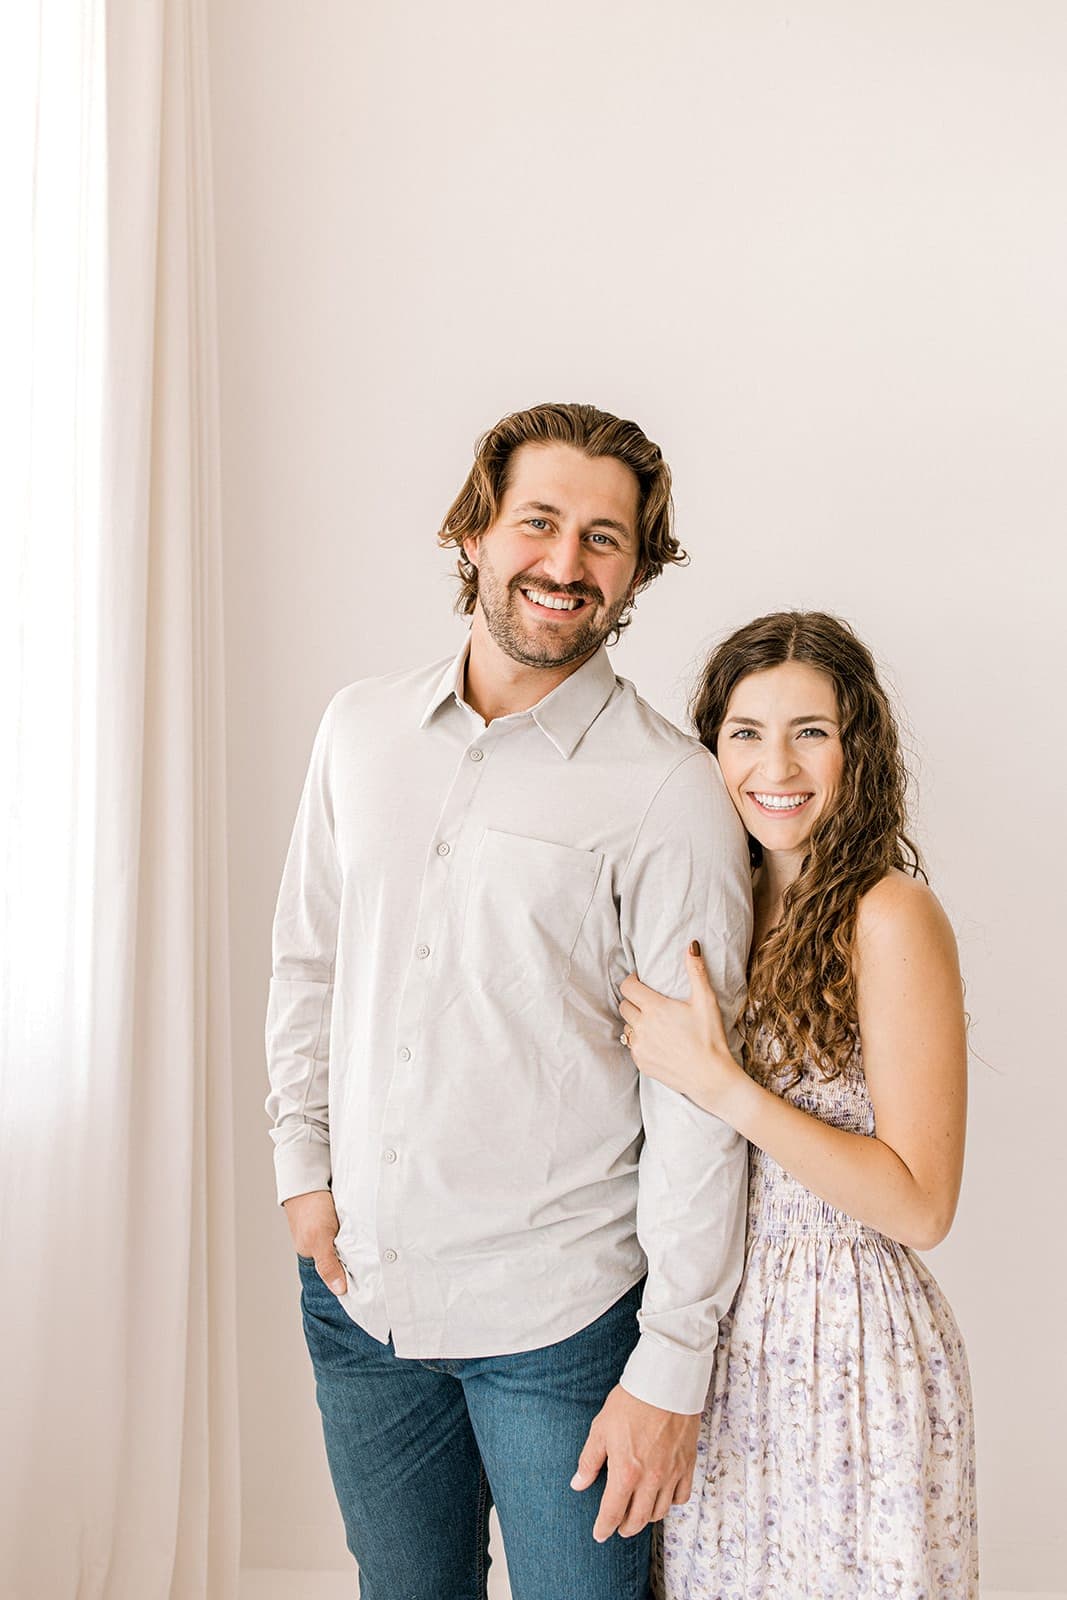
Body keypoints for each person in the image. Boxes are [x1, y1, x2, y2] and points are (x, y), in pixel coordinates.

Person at [264, 402, 753, 1600]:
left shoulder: (669, 791)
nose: (564, 563)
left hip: (563, 1327)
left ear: (638, 569)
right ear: (475, 531)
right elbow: (309, 959)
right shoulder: (360, 728)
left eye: (604, 538)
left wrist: (673, 1360)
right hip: (359, 1300)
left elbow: (696, 1095)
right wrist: (301, 1170)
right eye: (538, 521)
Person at [617, 610, 978, 1599]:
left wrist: (722, 1085)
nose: (774, 763)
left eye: (808, 730)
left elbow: (918, 1205)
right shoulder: (717, 901)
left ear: (855, 746)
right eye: (744, 731)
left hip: (848, 1350)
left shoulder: (888, 913)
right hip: (720, 1349)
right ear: (709, 749)